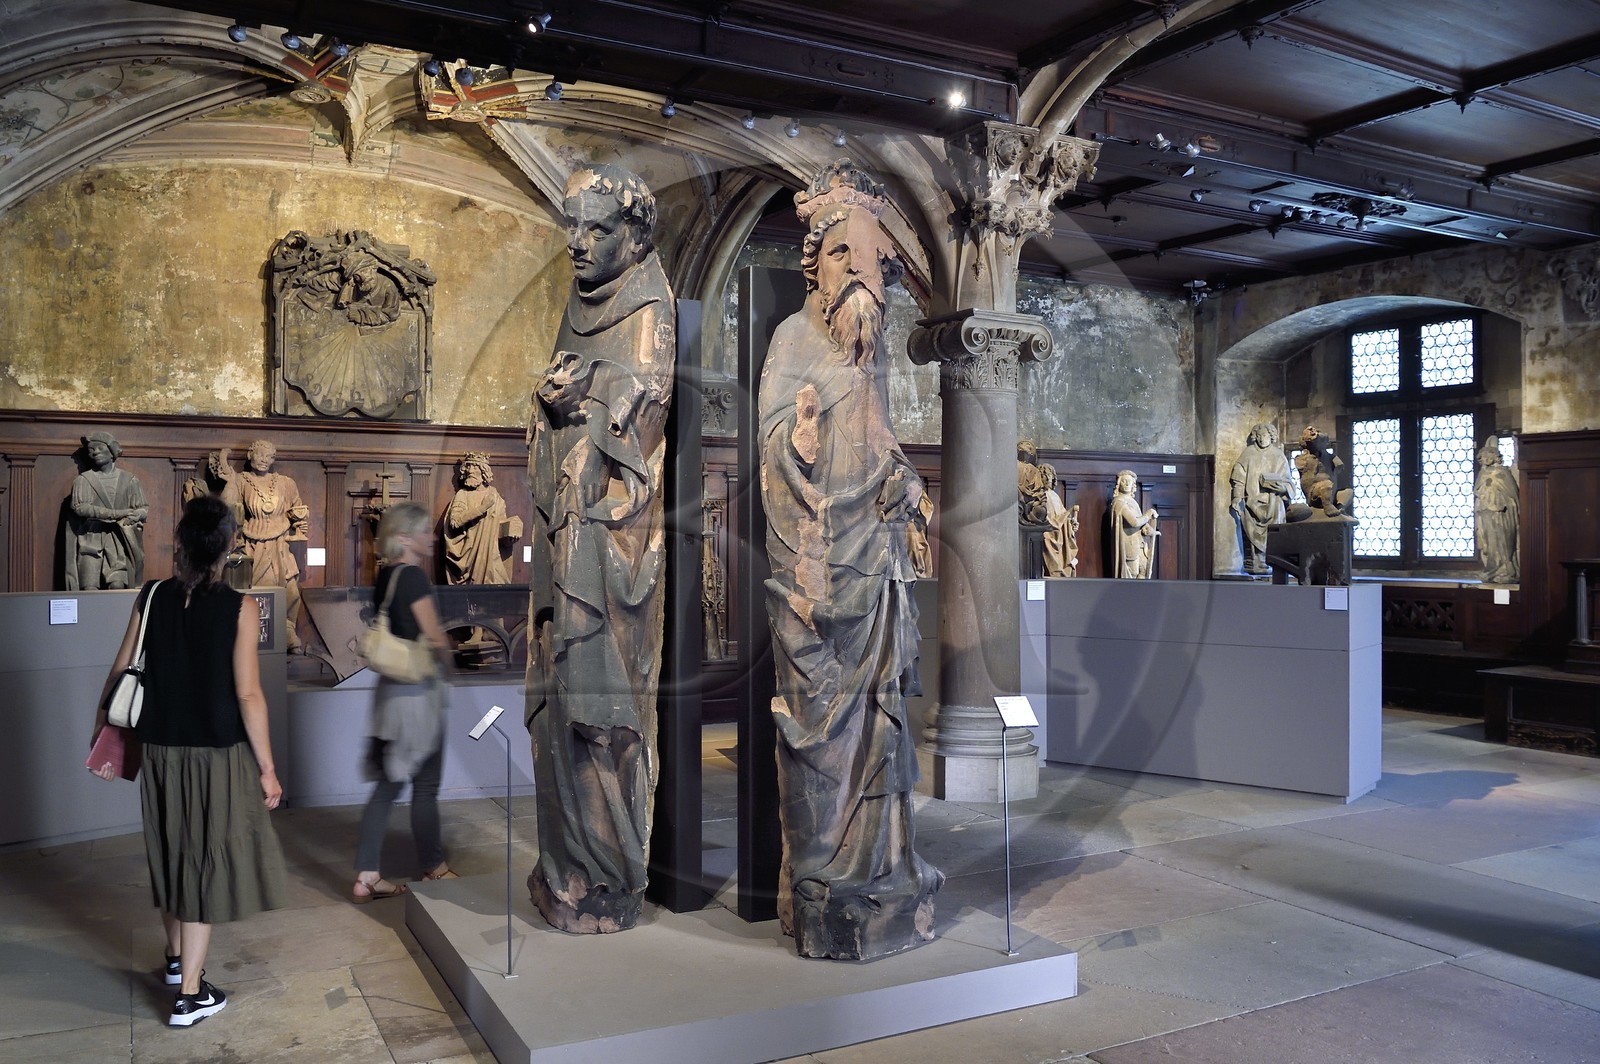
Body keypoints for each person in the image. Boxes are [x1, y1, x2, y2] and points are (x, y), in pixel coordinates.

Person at [757, 159, 942, 959]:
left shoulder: (872, 354)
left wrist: (903, 479)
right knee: (817, 728)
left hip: (880, 574)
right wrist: (793, 440)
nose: (860, 270)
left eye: (871, 259)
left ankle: (882, 869)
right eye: (842, 254)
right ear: (816, 264)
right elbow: (773, 447)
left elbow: (879, 449)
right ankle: (821, 881)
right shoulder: (794, 338)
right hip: (817, 574)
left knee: (884, 729)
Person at [525, 164, 677, 934]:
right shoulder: (579, 302)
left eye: (596, 229)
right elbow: (565, 408)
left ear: (636, 235)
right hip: (564, 541)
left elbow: (639, 413)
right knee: (561, 713)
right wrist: (558, 400)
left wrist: (585, 397)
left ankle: (609, 872)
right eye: (571, 227)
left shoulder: (649, 305)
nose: (577, 245)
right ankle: (567, 866)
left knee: (602, 711)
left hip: (609, 556)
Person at [89, 495, 287, 1027]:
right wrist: (267, 768)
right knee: (203, 869)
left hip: (159, 748)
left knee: (174, 853)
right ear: (227, 547)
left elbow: (119, 670)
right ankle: (190, 997)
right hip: (216, 756)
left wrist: (101, 731)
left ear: (182, 544)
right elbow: (248, 696)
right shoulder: (241, 608)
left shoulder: (150, 595)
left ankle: (177, 964)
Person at [353, 502, 456, 902]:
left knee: (386, 786)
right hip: (417, 696)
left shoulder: (387, 577)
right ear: (403, 538)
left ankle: (366, 874)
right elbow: (434, 637)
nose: (431, 537)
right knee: (425, 787)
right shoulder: (412, 577)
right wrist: (450, 663)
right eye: (424, 531)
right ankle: (434, 867)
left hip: (389, 695)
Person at [222, 440, 309, 650]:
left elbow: (297, 508)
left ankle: (287, 631)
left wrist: (300, 521)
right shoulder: (242, 480)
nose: (264, 460)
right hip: (253, 544)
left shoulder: (286, 483)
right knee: (256, 590)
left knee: (290, 589)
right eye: (260, 455)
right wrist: (229, 481)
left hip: (280, 543)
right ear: (251, 456)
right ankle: (252, 635)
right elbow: (227, 506)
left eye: (269, 457)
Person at [65, 430, 147, 590]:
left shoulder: (129, 480)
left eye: (99, 448)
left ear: (112, 451)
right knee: (89, 586)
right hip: (91, 539)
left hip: (118, 540)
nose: (95, 452)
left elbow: (143, 508)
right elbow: (80, 508)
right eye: (91, 449)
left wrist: (137, 514)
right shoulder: (84, 480)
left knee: (118, 585)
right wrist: (117, 514)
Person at [442, 452, 519, 585]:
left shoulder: (494, 495)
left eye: (475, 467)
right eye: (468, 467)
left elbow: (499, 526)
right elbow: (454, 522)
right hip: (468, 555)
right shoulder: (463, 495)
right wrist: (482, 508)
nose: (470, 471)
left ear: (484, 471)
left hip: (490, 555)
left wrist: (510, 535)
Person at [1229, 421, 1294, 574]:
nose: (1261, 438)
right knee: (1250, 529)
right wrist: (1237, 497)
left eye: (1264, 435)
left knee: (1274, 532)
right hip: (1252, 501)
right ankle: (1255, 562)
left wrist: (1282, 488)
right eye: (1258, 435)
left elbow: (1288, 481)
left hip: (1273, 502)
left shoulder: (1278, 455)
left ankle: (1271, 561)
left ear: (1271, 436)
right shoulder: (1248, 453)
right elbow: (1239, 477)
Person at [1475, 436, 1520, 584]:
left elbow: (1513, 495)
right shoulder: (1483, 473)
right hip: (1485, 512)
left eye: (1485, 456)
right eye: (1481, 457)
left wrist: (1506, 505)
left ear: (1494, 457)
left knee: (1503, 542)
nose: (1482, 459)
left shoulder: (1503, 473)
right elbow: (1477, 491)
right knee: (1488, 542)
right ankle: (1492, 569)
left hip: (1501, 514)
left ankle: (1507, 570)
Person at [1111, 470, 1159, 579]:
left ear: (1133, 485)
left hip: (1140, 544)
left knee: (1144, 571)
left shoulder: (1133, 502)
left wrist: (1147, 529)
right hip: (1129, 545)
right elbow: (1133, 522)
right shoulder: (1118, 502)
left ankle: (1141, 596)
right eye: (1124, 481)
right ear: (1119, 484)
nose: (1127, 484)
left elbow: (1140, 522)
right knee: (1131, 575)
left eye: (1130, 482)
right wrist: (1148, 514)